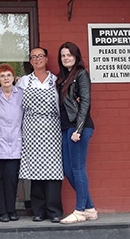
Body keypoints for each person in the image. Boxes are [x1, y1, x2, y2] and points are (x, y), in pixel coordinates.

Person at [16, 47, 64, 223]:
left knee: (53, 170)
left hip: (52, 128)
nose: (37, 59)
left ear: (46, 58)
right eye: (33, 57)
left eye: (40, 56)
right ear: (30, 61)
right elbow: (15, 104)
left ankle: (54, 211)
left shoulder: (56, 81)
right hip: (31, 128)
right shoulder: (23, 82)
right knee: (35, 170)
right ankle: (38, 210)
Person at [56, 41, 98, 224]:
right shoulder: (62, 77)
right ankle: (90, 208)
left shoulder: (81, 74)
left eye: (69, 55)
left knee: (78, 168)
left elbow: (86, 103)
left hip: (78, 127)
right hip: (66, 127)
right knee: (67, 168)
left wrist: (79, 129)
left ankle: (80, 211)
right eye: (63, 55)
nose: (66, 58)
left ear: (76, 56)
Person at [0, 64, 24, 222]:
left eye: (8, 75)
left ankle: (11, 209)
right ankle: (1, 211)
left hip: (16, 143)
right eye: (2, 76)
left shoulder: (21, 94)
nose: (6, 78)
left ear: (13, 77)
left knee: (11, 178)